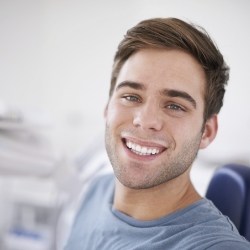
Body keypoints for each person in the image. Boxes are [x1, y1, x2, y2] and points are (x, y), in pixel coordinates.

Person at [64, 17, 250, 249]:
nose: (145, 120)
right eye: (131, 97)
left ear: (207, 132)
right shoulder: (97, 190)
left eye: (174, 105)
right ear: (107, 107)